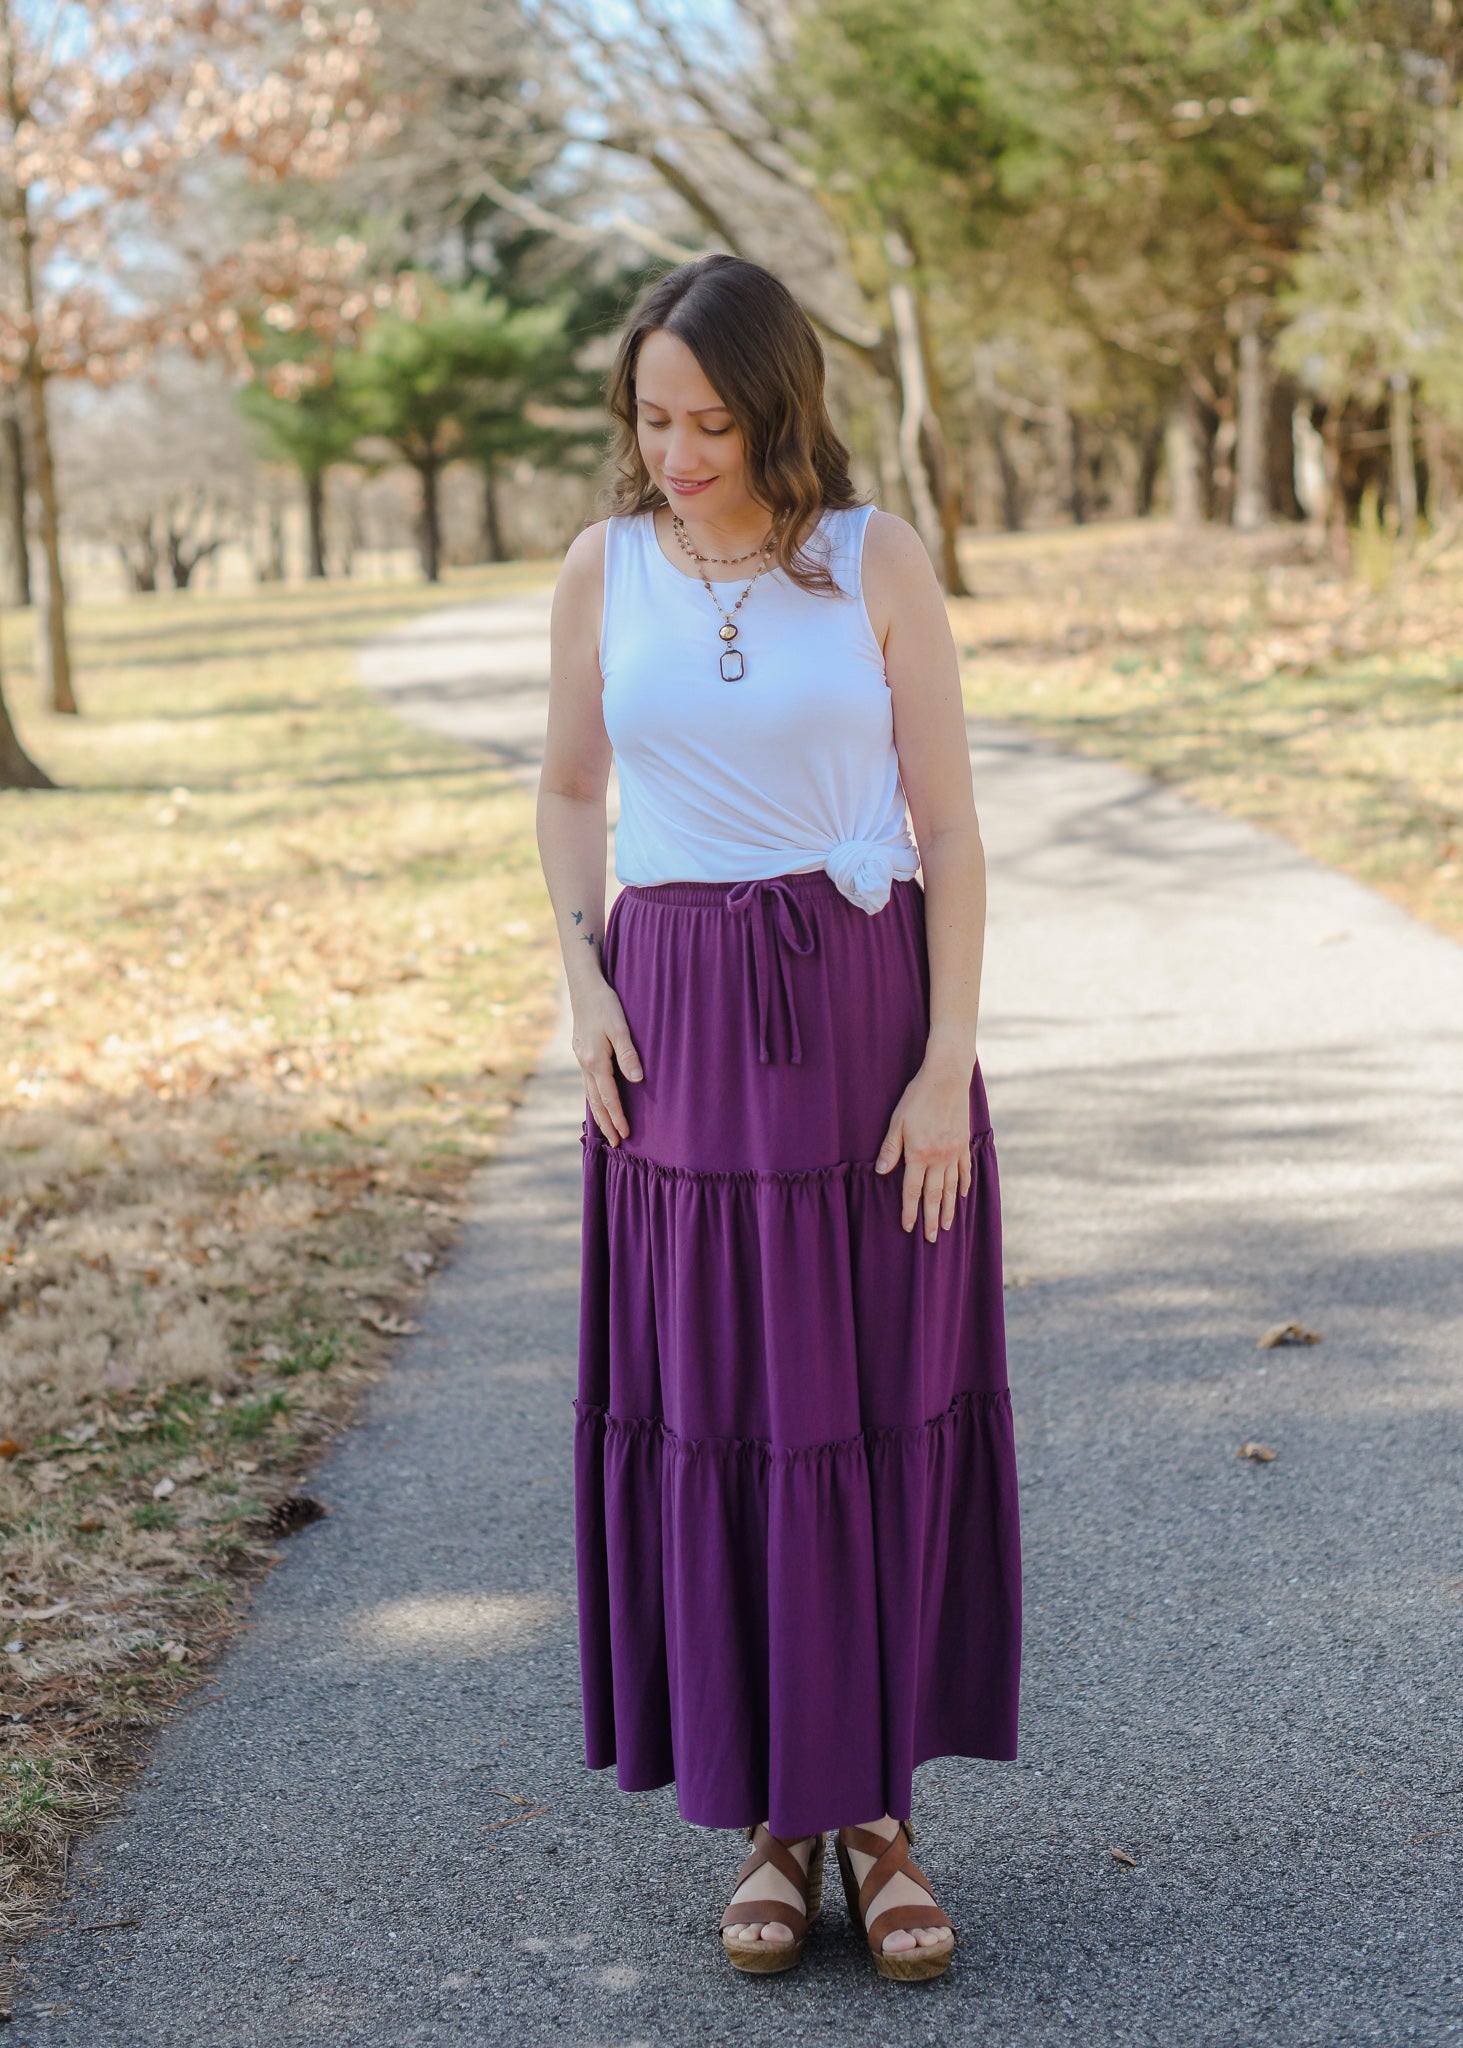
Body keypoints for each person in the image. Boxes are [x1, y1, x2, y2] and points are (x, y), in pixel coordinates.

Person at [537, 253, 1020, 1984]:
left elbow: (950, 828)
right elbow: (575, 787)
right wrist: (583, 981)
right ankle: (770, 1818)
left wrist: (948, 1055)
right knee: (732, 1411)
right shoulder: (602, 570)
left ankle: (878, 1819)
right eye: (652, 418)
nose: (676, 450)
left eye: (711, 420)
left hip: (865, 1022)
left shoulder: (875, 559)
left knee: (874, 1407)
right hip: (676, 1042)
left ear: (777, 408)